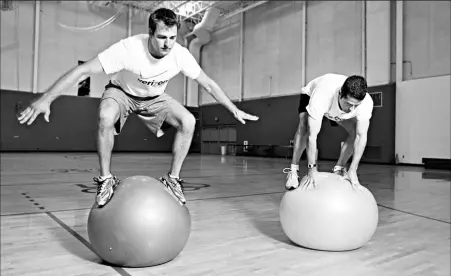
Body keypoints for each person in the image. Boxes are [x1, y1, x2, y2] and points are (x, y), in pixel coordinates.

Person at [17, 8, 259, 207]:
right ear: (150, 34)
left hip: (154, 98)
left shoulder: (180, 55)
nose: (167, 44)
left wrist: (233, 109)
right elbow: (82, 70)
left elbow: (208, 83)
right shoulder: (129, 49)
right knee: (105, 117)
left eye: (173, 38)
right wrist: (47, 98)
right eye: (162, 37)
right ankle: (105, 179)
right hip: (122, 93)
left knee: (189, 121)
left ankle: (172, 179)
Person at [283, 73, 373, 190]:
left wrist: (353, 169)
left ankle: (339, 169)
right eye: (349, 104)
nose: (352, 109)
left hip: (335, 110)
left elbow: (361, 137)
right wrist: (312, 169)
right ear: (340, 94)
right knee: (304, 126)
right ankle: (293, 170)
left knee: (355, 132)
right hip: (312, 95)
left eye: (356, 105)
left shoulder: (366, 103)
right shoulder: (322, 96)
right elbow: (312, 136)